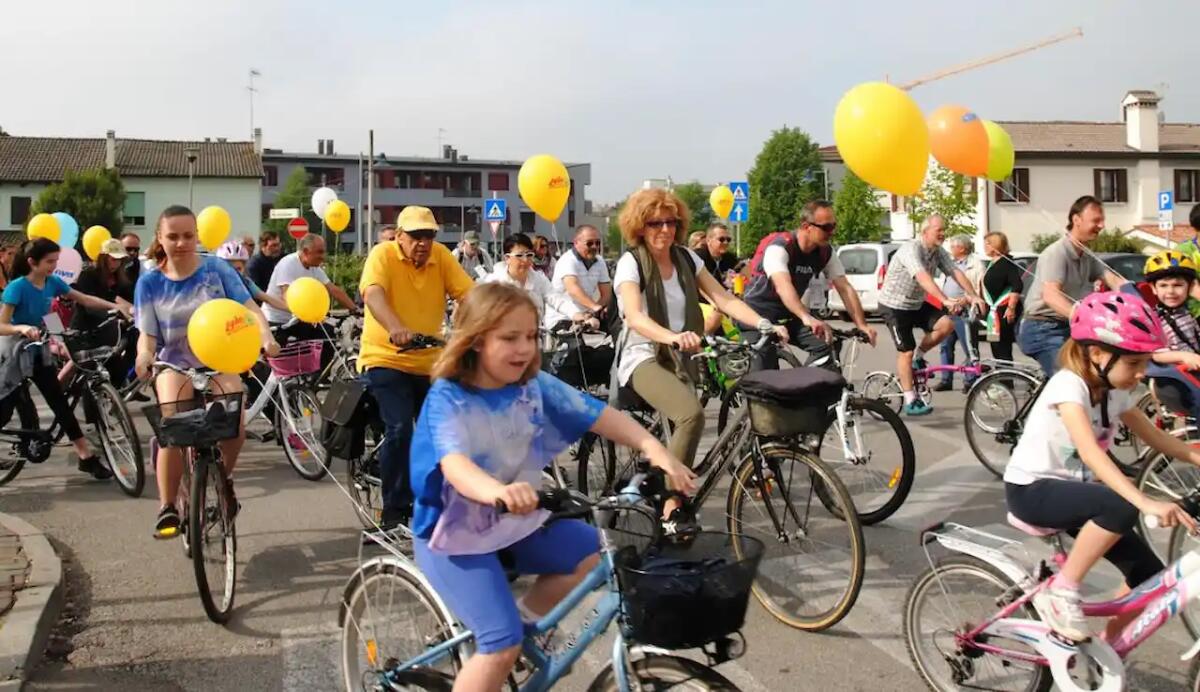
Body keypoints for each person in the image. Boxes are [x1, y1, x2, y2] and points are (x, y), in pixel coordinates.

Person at [410, 282, 695, 692]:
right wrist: (496, 491)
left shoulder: (531, 384)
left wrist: (654, 447)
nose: (524, 348)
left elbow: (598, 415)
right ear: (474, 341)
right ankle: (506, 643)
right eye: (509, 338)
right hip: (452, 533)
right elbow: (455, 465)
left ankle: (526, 626)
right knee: (498, 644)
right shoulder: (448, 397)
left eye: (531, 336)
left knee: (593, 554)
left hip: (516, 518)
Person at [1004, 290, 1199, 642]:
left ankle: (1108, 649)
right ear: (1097, 354)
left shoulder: (1112, 389)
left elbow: (1157, 437)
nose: (1142, 374)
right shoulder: (1068, 385)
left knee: (1149, 578)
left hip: (1074, 495)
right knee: (1119, 504)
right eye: (1134, 364)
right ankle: (1062, 592)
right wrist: (1145, 502)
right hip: (1032, 490)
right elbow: (1092, 454)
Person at [614, 188, 787, 482]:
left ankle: (668, 478)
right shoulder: (632, 263)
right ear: (640, 226)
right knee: (691, 415)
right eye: (656, 223)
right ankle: (672, 504)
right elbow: (634, 316)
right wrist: (671, 337)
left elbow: (723, 299)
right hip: (642, 355)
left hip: (681, 355)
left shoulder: (686, 259)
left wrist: (763, 324)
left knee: (687, 422)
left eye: (671, 222)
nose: (665, 230)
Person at [134, 205, 280, 538]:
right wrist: (144, 356)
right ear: (160, 238)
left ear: (197, 235)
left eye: (188, 235)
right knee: (173, 426)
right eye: (173, 236)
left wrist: (266, 336)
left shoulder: (216, 270)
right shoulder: (150, 282)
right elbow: (147, 334)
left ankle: (221, 478)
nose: (181, 243)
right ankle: (167, 506)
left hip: (220, 360)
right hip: (174, 362)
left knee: (234, 421)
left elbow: (249, 307)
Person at [358, 205, 473, 529]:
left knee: (447, 429)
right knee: (400, 428)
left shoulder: (441, 258)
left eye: (429, 235)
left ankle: (442, 501)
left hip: (429, 360)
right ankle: (393, 510)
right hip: (385, 357)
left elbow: (470, 295)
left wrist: (495, 322)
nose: (423, 242)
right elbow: (374, 294)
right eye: (415, 235)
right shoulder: (383, 255)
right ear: (399, 235)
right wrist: (395, 326)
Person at [0, 238, 131, 480]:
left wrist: (115, 308)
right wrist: (21, 329)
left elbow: (80, 300)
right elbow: (2, 325)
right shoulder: (17, 287)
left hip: (38, 349)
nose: (54, 266)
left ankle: (86, 457)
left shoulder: (52, 283)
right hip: (14, 353)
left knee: (58, 402)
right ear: (32, 262)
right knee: (5, 407)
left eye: (56, 261)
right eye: (49, 261)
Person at [740, 200, 877, 368]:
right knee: (765, 373)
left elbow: (844, 287)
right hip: (756, 315)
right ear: (806, 226)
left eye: (834, 226)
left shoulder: (825, 252)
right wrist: (806, 317)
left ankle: (808, 387)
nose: (831, 232)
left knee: (828, 343)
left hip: (789, 315)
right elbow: (783, 286)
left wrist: (862, 325)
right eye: (826, 227)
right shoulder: (780, 248)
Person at [877, 215, 985, 416]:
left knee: (946, 325)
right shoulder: (911, 249)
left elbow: (955, 272)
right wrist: (944, 300)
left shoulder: (938, 252)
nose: (943, 234)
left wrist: (973, 295)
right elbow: (922, 277)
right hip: (894, 306)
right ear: (925, 232)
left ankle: (919, 357)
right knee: (905, 352)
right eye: (939, 230)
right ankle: (911, 400)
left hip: (915, 304)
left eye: (944, 230)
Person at [1019, 196, 1128, 376]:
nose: (1102, 226)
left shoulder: (1085, 253)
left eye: (1102, 221)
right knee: (1073, 379)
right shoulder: (1057, 253)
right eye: (1096, 220)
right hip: (1043, 329)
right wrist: (1082, 316)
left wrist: (1134, 295)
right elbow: (1051, 295)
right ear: (1076, 220)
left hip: (1068, 327)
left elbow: (1111, 278)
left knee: (1103, 369)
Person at [1138, 251, 1200, 421]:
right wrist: (1184, 356)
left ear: (1190, 287)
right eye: (1164, 286)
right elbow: (1156, 353)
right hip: (1178, 379)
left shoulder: (1186, 314)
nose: (1171, 291)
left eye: (1178, 285)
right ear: (1153, 289)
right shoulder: (1156, 320)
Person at [262, 234, 359, 341]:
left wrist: (355, 310)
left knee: (329, 335)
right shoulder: (288, 264)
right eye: (319, 252)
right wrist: (309, 314)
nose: (323, 256)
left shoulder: (314, 268)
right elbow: (287, 295)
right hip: (277, 320)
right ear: (306, 251)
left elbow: (333, 290)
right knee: (287, 353)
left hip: (297, 319)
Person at [70, 238, 136, 385]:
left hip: (105, 332)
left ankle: (116, 397)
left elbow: (116, 301)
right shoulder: (87, 275)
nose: (116, 264)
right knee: (90, 375)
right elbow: (88, 306)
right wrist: (114, 314)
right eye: (113, 259)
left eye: (120, 260)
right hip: (84, 332)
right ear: (103, 258)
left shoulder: (117, 279)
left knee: (119, 369)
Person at [480, 233, 578, 324]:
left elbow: (556, 298)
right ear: (507, 258)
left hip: (534, 337)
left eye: (529, 255)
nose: (525, 260)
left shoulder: (538, 279)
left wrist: (576, 314)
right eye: (519, 255)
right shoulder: (494, 282)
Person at [934, 235, 986, 392]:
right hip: (948, 310)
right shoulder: (951, 264)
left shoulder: (975, 265)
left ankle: (970, 380)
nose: (951, 250)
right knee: (945, 346)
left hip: (964, 311)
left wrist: (965, 300)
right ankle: (946, 379)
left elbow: (978, 288)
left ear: (962, 248)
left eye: (953, 247)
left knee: (969, 347)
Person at [545, 225, 610, 328]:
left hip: (587, 316)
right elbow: (573, 289)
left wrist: (596, 311)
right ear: (576, 243)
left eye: (597, 243)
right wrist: (594, 307)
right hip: (563, 317)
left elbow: (606, 293)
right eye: (589, 243)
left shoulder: (600, 261)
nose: (594, 247)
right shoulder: (567, 260)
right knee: (576, 343)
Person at [977, 232, 1024, 362]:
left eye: (988, 243)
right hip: (993, 314)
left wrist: (1011, 307)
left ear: (996, 245)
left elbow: (1017, 286)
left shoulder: (1007, 263)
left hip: (1003, 312)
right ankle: (1001, 377)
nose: (985, 246)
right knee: (995, 347)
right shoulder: (993, 263)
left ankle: (1007, 380)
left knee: (1003, 348)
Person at [215, 241, 289, 314]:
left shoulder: (246, 282)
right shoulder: (210, 284)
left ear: (244, 268)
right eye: (228, 268)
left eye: (238, 269)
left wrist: (292, 309)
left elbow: (268, 299)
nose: (233, 273)